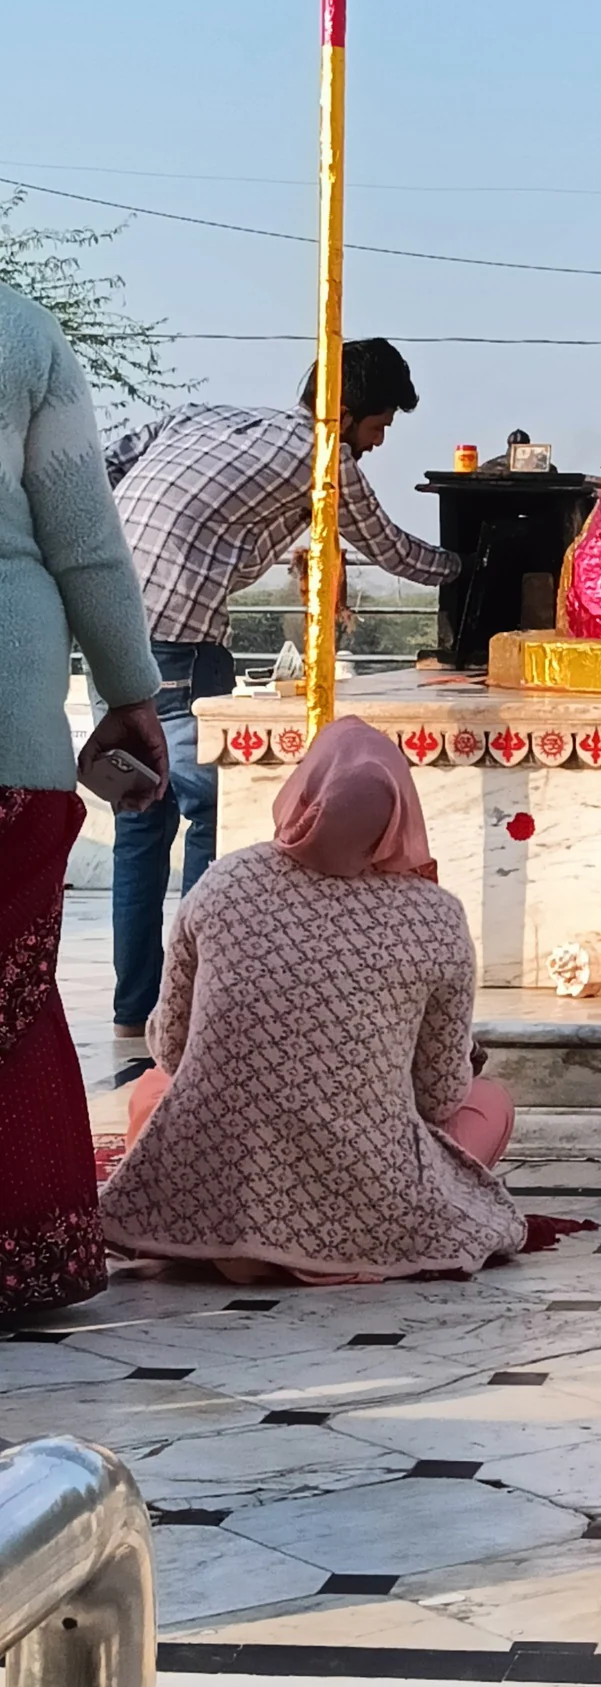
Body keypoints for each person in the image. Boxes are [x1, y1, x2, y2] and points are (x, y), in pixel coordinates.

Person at [102, 339, 459, 1040]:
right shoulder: (327, 459)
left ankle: (134, 1003)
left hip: (107, 619)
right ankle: (202, 993)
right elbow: (391, 549)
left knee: (139, 821)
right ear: (350, 413)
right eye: (380, 425)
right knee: (216, 808)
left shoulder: (203, 416)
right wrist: (470, 566)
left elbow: (109, 459)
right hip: (178, 635)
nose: (378, 443)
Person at [100, 718, 527, 1283]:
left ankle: (230, 1238)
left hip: (218, 1182)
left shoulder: (226, 881)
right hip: (366, 1196)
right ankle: (321, 1244)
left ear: (304, 790)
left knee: (152, 1093)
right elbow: (438, 1094)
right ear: (401, 812)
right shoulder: (436, 915)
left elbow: (174, 1049)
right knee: (489, 1104)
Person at [0, 278, 169, 1318]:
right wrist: (131, 695)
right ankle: (24, 1261)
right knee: (8, 1007)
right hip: (8, 741)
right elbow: (83, 537)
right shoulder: (19, 330)